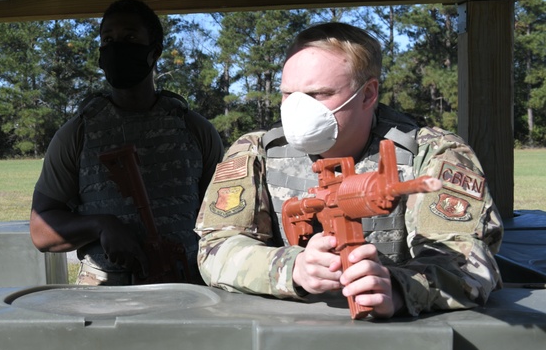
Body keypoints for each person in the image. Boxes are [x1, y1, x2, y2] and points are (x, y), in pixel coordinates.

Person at [195, 22, 502, 318]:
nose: (298, 108)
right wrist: (291, 268)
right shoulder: (256, 151)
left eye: (319, 95)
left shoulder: (432, 153)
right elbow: (215, 250)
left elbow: (470, 261)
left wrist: (399, 289)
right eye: (288, 94)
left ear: (368, 94)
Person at [30, 0, 224, 285]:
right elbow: (41, 231)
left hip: (185, 291)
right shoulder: (77, 134)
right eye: (108, 39)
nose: (117, 46)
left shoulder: (195, 130)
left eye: (130, 37)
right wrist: (100, 226)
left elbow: (225, 221)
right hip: (105, 296)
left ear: (154, 52)